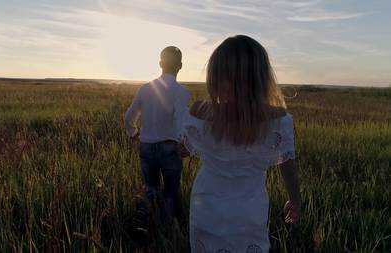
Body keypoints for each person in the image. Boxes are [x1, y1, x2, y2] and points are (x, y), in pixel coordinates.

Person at [179, 35, 301, 252]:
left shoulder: (199, 111)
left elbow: (183, 151)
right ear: (262, 78)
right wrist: (295, 200)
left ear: (215, 76)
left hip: (206, 203)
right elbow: (287, 163)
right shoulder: (277, 118)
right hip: (250, 206)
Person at [124, 46, 191, 221]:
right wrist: (183, 143)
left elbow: (129, 116)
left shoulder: (145, 88)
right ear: (181, 66)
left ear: (160, 63)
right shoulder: (181, 92)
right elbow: (181, 120)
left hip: (146, 146)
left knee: (150, 189)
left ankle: (146, 225)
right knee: (170, 193)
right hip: (170, 148)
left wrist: (133, 132)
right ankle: (166, 230)